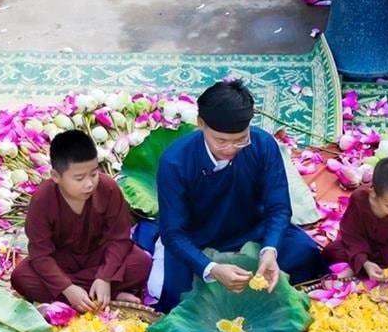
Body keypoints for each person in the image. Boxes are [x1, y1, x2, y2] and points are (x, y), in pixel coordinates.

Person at [137, 79, 325, 310]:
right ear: (200, 124)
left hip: (251, 232)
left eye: (240, 140)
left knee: (306, 254)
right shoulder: (175, 161)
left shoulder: (263, 144)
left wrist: (270, 249)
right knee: (172, 298)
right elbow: (173, 233)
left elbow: (279, 207)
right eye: (221, 141)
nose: (230, 149)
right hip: (198, 239)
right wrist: (211, 268)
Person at [11, 129, 153, 309]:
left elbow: (119, 238)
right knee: (21, 277)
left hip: (99, 257)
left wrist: (105, 277)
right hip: (62, 262)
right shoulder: (42, 200)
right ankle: (109, 296)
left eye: (93, 174)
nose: (89, 184)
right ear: (56, 176)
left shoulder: (108, 188)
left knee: (141, 263)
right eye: (79, 178)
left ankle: (94, 293)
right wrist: (67, 288)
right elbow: (40, 254)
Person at [327, 156, 388, 280]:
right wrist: (364, 262)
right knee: (332, 251)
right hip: (363, 250)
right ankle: (360, 269)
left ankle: (360, 272)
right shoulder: (359, 198)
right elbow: (351, 234)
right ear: (373, 192)